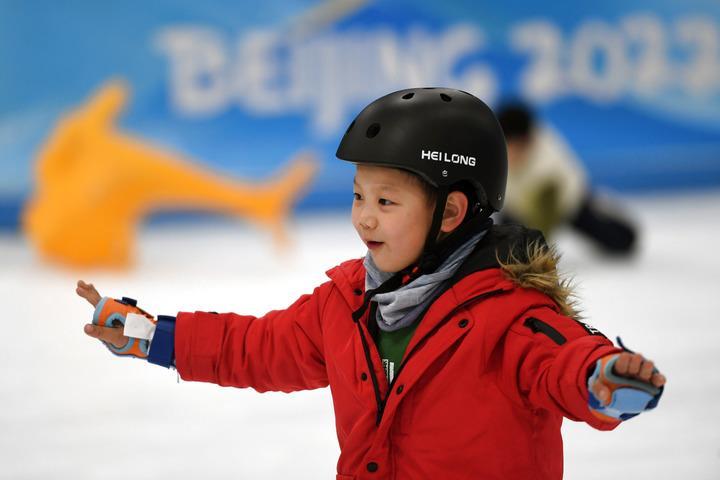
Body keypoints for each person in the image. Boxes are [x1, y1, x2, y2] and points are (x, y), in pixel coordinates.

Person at [78, 88, 666, 480]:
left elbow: (563, 361)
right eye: (359, 196)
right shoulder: (347, 304)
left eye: (386, 202)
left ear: (451, 212)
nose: (363, 218)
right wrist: (148, 335)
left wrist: (603, 378)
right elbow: (257, 347)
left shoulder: (508, 316)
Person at [496, 101, 638, 255]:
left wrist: (535, 253)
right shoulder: (494, 148)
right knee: (504, 248)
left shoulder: (546, 169)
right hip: (518, 207)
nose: (509, 153)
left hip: (568, 203)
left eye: (513, 147)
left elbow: (543, 223)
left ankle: (604, 209)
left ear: (527, 142)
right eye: (505, 145)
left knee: (620, 240)